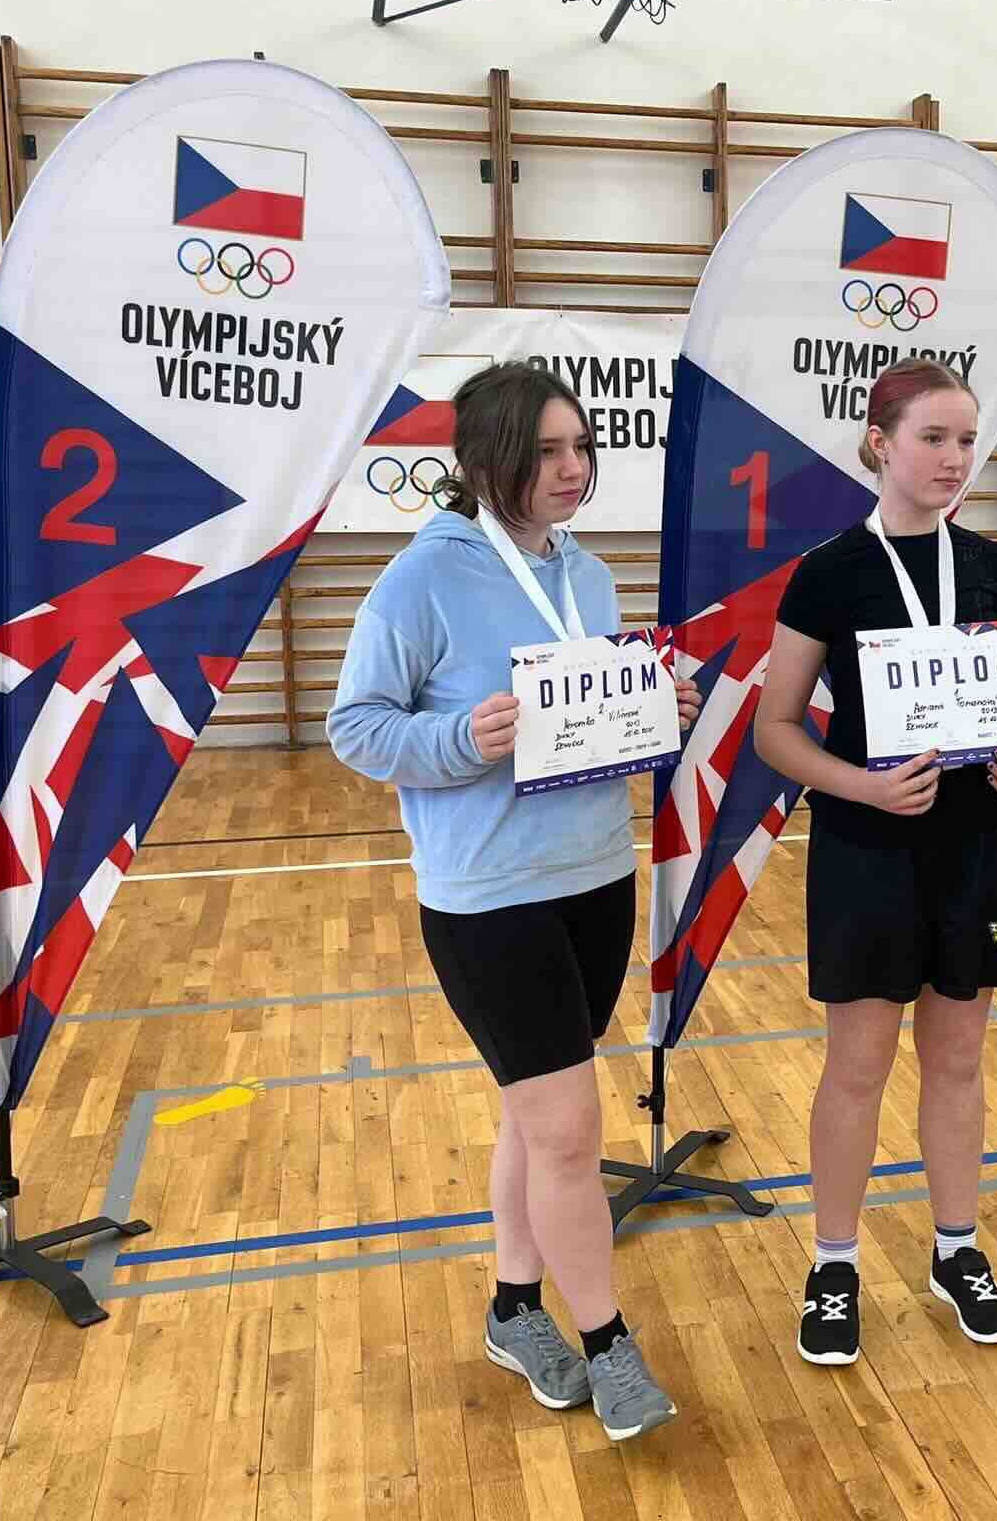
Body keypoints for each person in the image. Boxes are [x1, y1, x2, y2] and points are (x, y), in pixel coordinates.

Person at [327, 362, 701, 1441]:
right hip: (489, 900)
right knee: (571, 1135)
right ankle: (608, 1345)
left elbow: (587, 725)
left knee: (534, 1121)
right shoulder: (421, 579)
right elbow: (357, 727)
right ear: (485, 458)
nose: (572, 468)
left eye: (581, 446)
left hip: (597, 879)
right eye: (545, 451)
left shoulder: (587, 574)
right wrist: (459, 737)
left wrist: (654, 707)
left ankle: (511, 1308)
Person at [755, 357, 997, 1366]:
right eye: (933, 437)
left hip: (975, 847)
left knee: (958, 1060)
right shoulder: (829, 570)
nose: (955, 458)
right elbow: (775, 731)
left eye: (967, 440)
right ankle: (833, 1264)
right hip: (867, 850)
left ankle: (956, 1250)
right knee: (858, 1067)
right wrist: (862, 785)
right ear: (880, 442)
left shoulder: (992, 565)